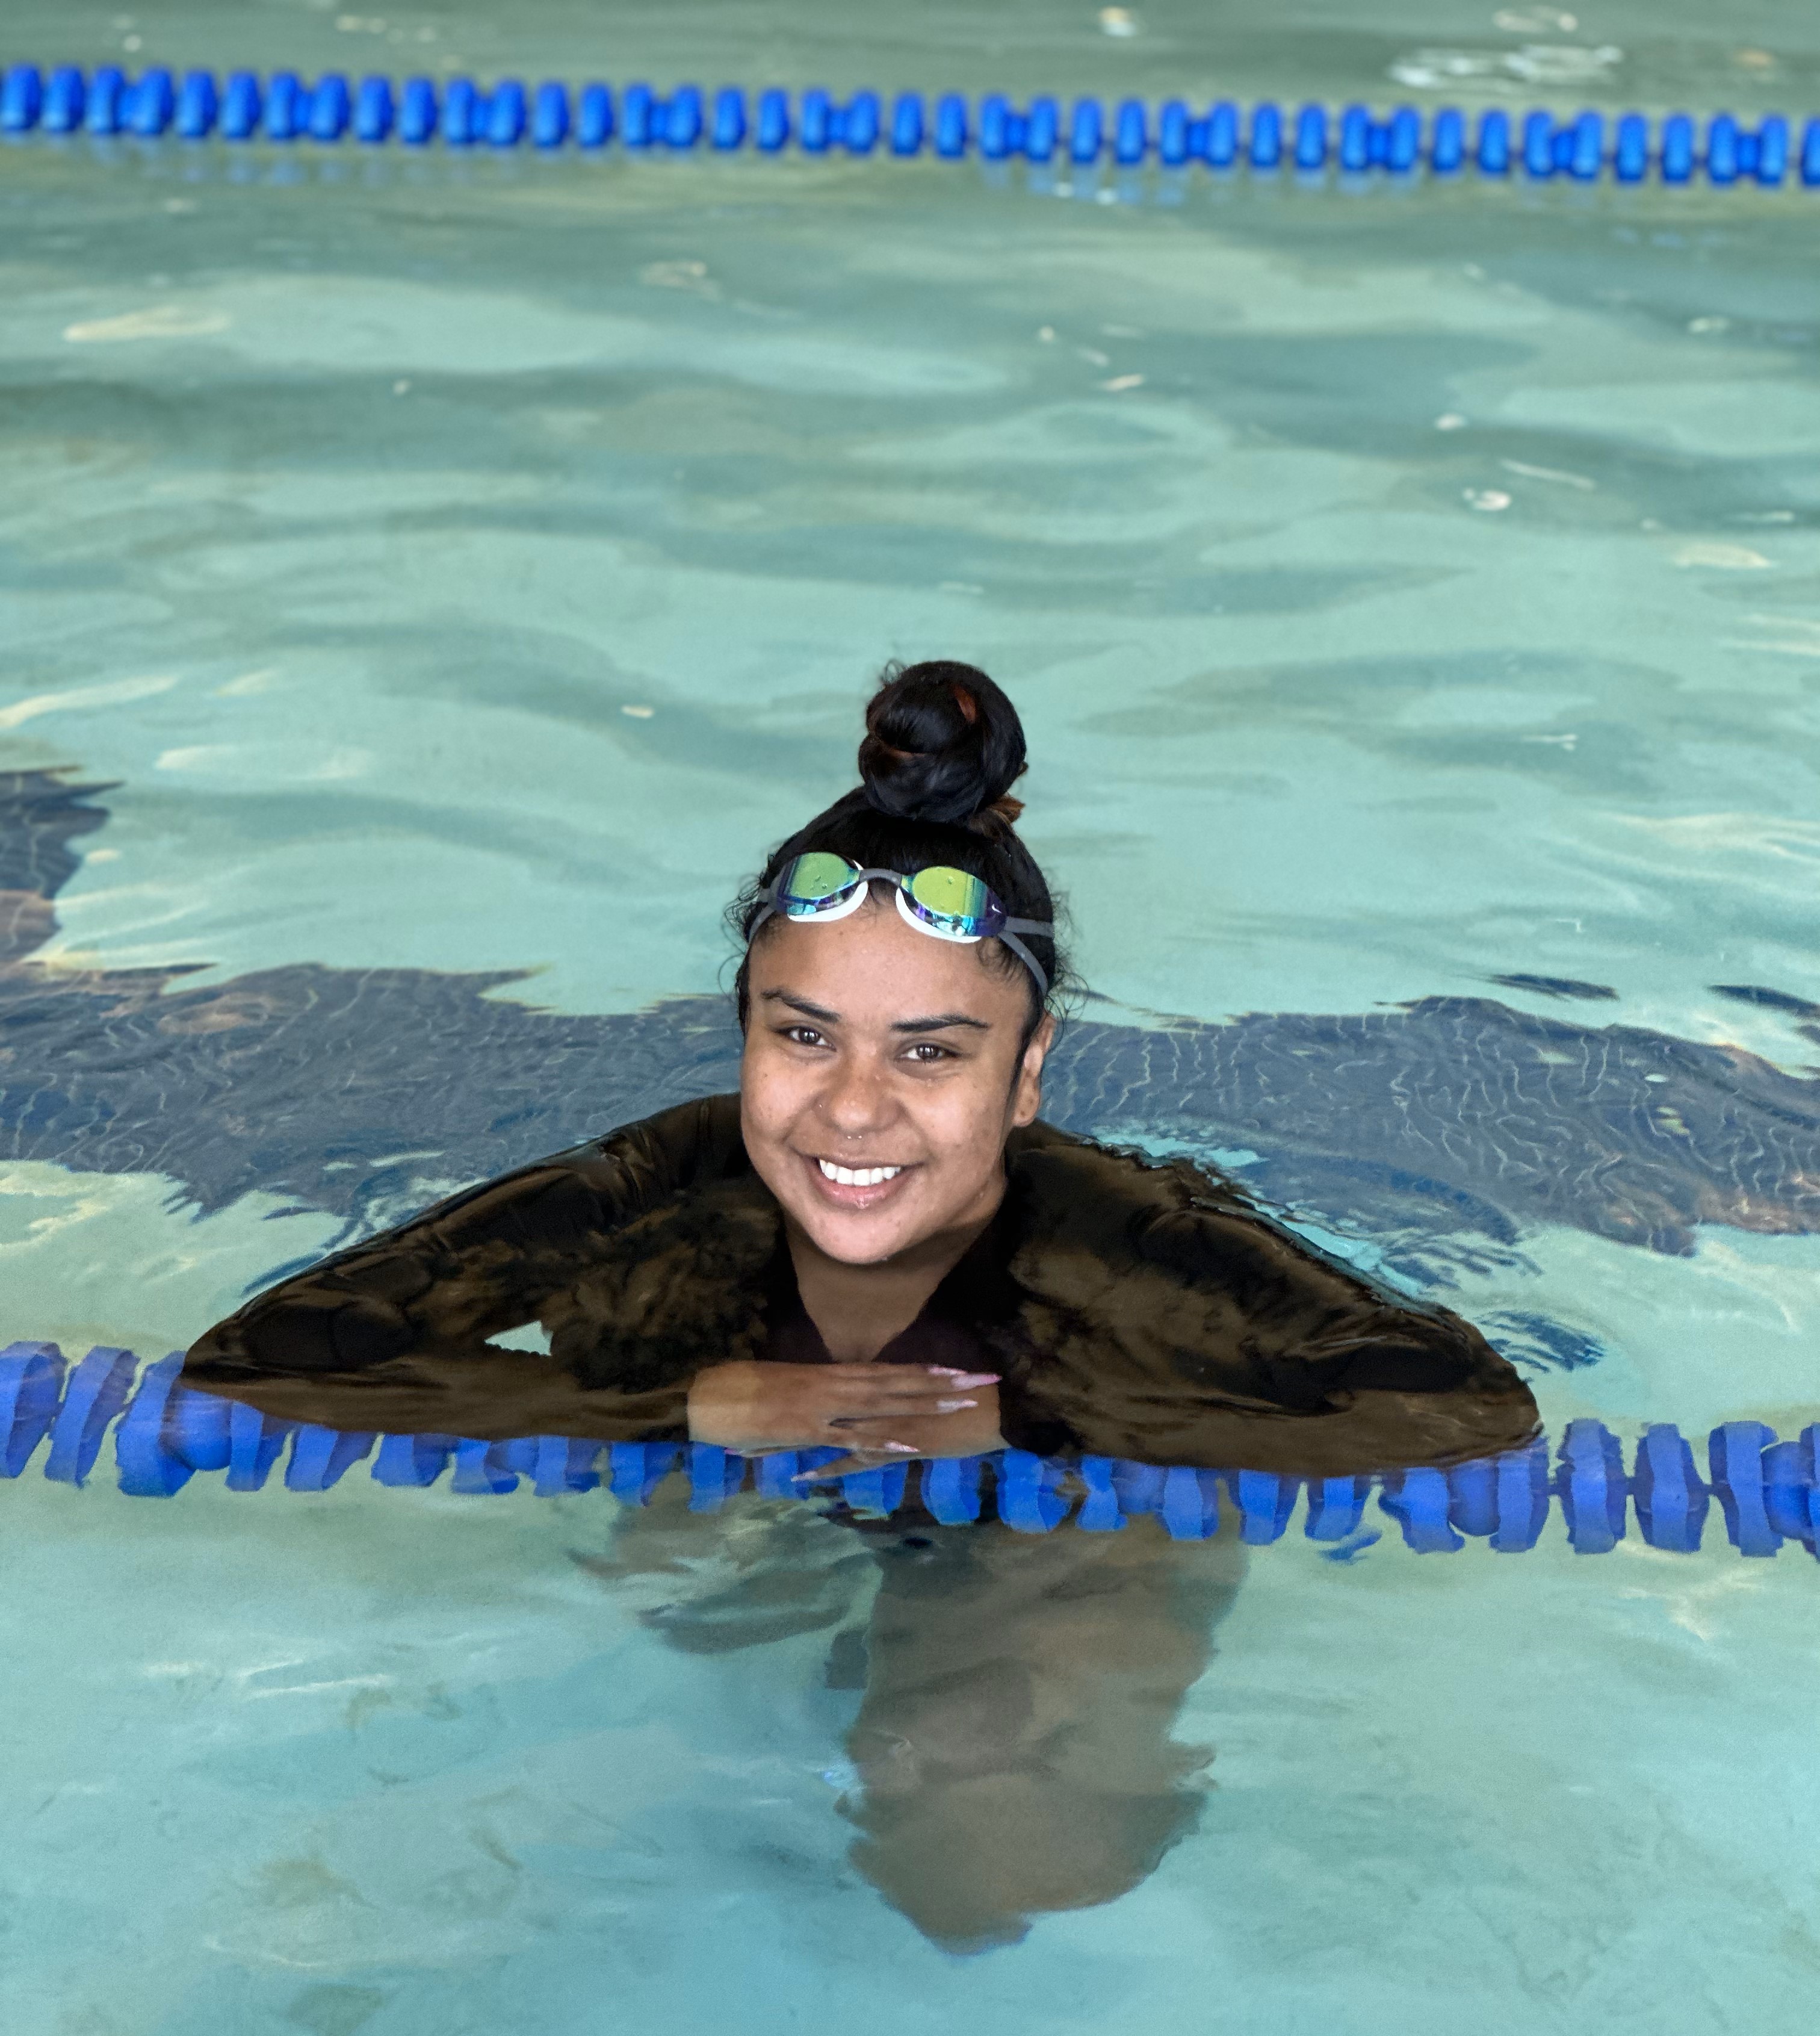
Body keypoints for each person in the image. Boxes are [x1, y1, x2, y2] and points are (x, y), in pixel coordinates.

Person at [184, 659, 1538, 1946]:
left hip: (1046, 1521)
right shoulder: (659, 1186)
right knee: (682, 1605)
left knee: (994, 1748)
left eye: (931, 1052)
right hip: (759, 1503)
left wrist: (1030, 1423)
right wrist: (683, 1407)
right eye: (803, 1031)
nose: (850, 1107)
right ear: (744, 1029)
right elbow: (267, 1359)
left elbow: (1459, 1408)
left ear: (1025, 1073)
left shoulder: (1125, 1243)